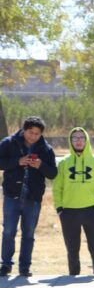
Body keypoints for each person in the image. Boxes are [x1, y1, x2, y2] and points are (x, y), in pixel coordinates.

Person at [0, 116, 57, 277]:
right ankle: (5, 264)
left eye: (37, 134)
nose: (33, 136)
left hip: (33, 197)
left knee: (29, 233)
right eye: (30, 132)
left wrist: (40, 165)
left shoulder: (46, 149)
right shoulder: (9, 143)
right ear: (23, 130)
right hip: (12, 195)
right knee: (9, 231)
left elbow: (53, 173)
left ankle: (24, 266)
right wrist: (17, 161)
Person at [53, 127, 94, 276]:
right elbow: (57, 188)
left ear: (87, 140)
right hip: (69, 212)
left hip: (91, 210)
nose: (78, 141)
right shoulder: (63, 163)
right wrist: (59, 209)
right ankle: (73, 274)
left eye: (81, 138)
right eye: (74, 138)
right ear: (70, 141)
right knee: (72, 248)